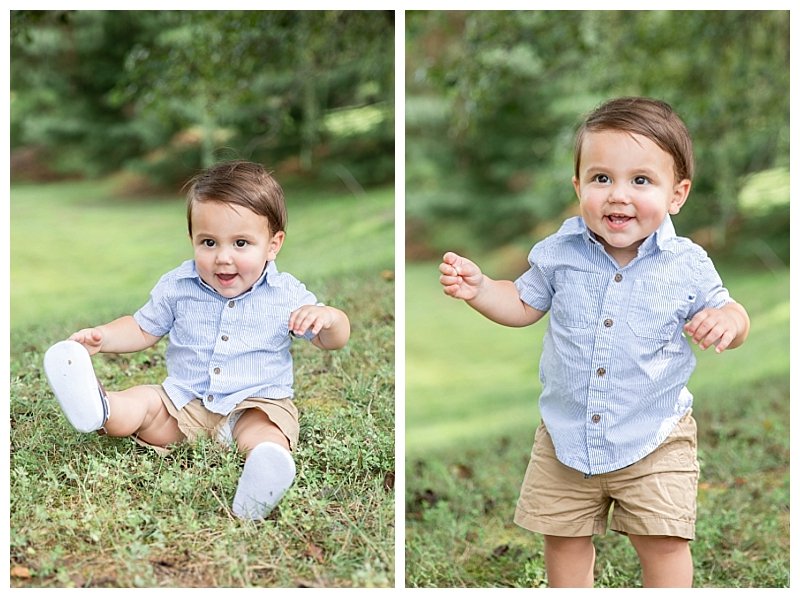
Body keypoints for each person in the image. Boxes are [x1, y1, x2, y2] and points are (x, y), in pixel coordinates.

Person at [438, 97, 750, 587]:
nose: (618, 195)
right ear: (578, 186)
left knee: (664, 540)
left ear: (677, 194)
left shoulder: (686, 264)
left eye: (641, 180)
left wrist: (728, 322)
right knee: (562, 538)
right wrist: (480, 289)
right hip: (566, 437)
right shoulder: (560, 253)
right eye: (602, 178)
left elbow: (731, 310)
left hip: (655, 436)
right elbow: (520, 304)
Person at [44, 160, 350, 520]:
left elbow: (334, 340)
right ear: (192, 239)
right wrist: (103, 337)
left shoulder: (287, 294)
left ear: (273, 244)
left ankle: (264, 471)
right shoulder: (178, 286)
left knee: (264, 432)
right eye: (208, 242)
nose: (222, 257)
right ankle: (100, 407)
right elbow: (143, 328)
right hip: (185, 403)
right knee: (143, 403)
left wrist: (329, 318)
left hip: (255, 402)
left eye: (240, 243)